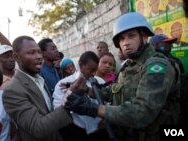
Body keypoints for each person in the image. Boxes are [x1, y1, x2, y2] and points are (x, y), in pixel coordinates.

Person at [65, 12, 179, 141]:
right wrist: (87, 91)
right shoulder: (129, 66)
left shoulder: (156, 66)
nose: (126, 43)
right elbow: (115, 91)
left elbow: (141, 113)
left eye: (131, 36)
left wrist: (93, 109)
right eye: (122, 39)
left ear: (145, 36)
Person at [2, 36, 72, 141]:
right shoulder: (12, 91)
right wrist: (70, 104)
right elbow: (38, 128)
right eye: (31, 52)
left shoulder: (39, 79)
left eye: (39, 52)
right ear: (16, 57)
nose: (39, 56)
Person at [53, 51, 108, 141]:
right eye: (91, 69)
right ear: (80, 64)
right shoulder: (62, 84)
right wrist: (71, 95)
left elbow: (108, 104)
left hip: (101, 131)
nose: (94, 73)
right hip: (76, 133)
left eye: (95, 70)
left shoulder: (100, 82)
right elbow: (58, 110)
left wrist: (106, 121)